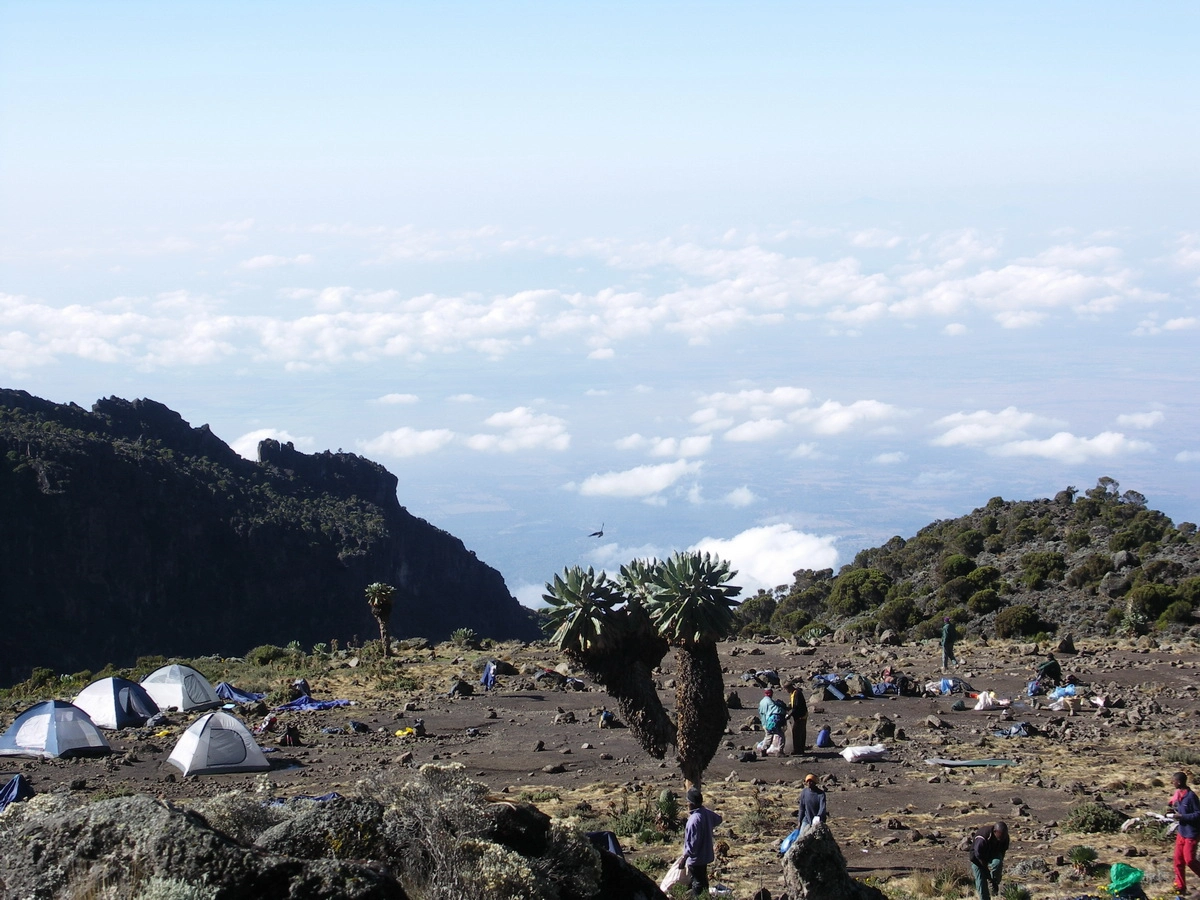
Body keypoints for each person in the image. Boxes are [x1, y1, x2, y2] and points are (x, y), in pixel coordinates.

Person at [679, 787, 722, 897]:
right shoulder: (705, 813)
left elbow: (693, 845)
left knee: (697, 884)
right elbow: (718, 819)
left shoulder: (693, 820)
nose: (687, 804)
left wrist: (684, 858)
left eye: (688, 801)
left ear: (692, 803)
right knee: (703, 882)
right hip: (705, 856)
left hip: (695, 859)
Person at [1168, 771, 1200, 895]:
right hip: (1182, 832)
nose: (1172, 782)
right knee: (1178, 860)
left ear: (1179, 782)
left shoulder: (1191, 796)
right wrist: (1170, 810)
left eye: (1173, 781)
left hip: (1192, 833)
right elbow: (1173, 804)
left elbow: (1198, 814)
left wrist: (1182, 816)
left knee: (1190, 860)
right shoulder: (1178, 794)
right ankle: (1180, 887)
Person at [968, 822, 1009, 900]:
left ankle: (994, 883)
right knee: (981, 881)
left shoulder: (1005, 837)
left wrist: (995, 876)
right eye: (1001, 836)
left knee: (997, 863)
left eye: (1004, 836)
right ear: (995, 832)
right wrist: (986, 871)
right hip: (977, 858)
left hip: (993, 853)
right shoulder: (982, 837)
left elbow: (1002, 852)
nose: (1003, 838)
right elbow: (978, 855)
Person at [757, 688, 787, 757]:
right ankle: (780, 751)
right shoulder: (771, 702)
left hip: (766, 723)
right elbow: (777, 711)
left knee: (768, 736)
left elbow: (761, 713)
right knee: (781, 735)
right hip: (773, 722)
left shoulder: (762, 702)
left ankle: (763, 750)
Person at [797, 773, 827, 837]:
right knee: (802, 837)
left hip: (818, 821)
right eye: (808, 781)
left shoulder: (820, 794)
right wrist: (799, 821)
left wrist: (818, 816)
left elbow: (822, 807)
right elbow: (802, 808)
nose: (809, 783)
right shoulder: (804, 792)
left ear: (815, 782)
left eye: (811, 781)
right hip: (807, 819)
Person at [788, 681, 808, 756]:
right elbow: (792, 704)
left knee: (797, 732)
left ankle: (798, 750)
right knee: (799, 732)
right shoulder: (793, 693)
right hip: (798, 716)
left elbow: (796, 706)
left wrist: (790, 715)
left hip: (801, 716)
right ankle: (799, 749)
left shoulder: (797, 694)